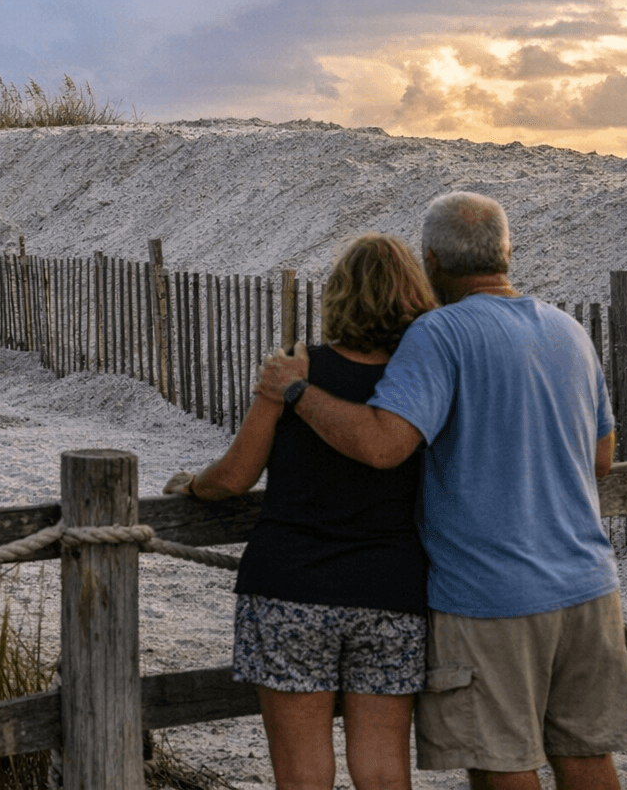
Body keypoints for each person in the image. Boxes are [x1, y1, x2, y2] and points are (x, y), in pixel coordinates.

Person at [258, 192, 627, 790]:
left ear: (432, 259)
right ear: (506, 252)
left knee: (500, 762)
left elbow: (385, 445)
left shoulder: (440, 333)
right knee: (587, 757)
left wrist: (299, 393)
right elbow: (602, 456)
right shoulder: (567, 329)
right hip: (588, 584)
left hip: (492, 594)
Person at [166, 234, 437, 790]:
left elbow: (236, 476)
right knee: (385, 767)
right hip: (391, 589)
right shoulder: (420, 380)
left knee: (302, 772)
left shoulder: (295, 370)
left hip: (291, 588)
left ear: (338, 294)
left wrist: (194, 484)